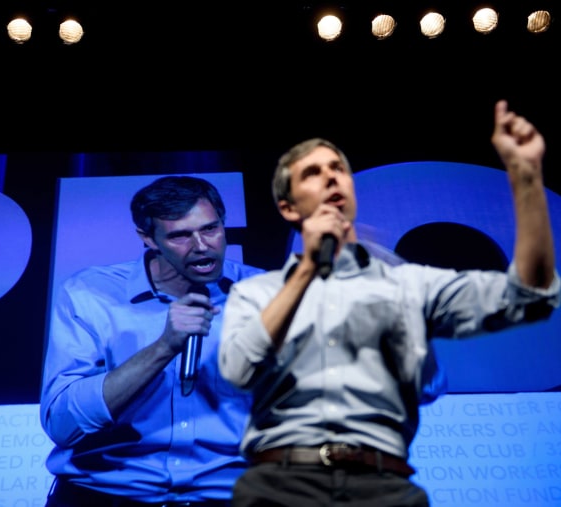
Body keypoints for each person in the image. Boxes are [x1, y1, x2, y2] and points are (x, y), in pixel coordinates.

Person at [217, 100, 559, 507]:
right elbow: (238, 371)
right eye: (313, 173)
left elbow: (531, 297)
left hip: (382, 485)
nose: (331, 180)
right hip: (280, 485)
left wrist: (526, 179)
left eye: (338, 171)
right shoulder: (254, 292)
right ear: (288, 207)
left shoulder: (407, 285)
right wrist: (308, 272)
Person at [40, 175, 265, 506]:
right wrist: (163, 347)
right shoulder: (90, 295)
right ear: (148, 238)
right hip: (106, 495)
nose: (202, 246)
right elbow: (62, 424)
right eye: (180, 236)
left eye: (210, 229)